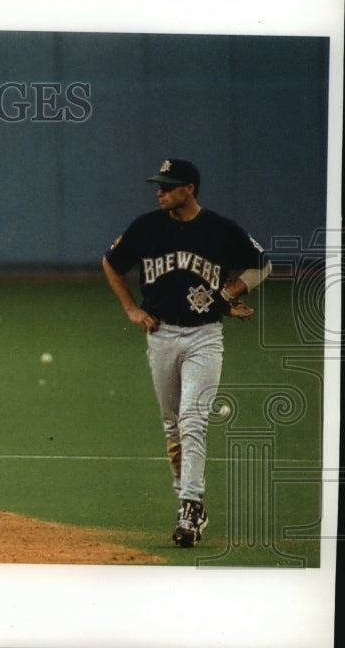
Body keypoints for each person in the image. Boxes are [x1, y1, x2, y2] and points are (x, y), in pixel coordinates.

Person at [102, 159, 270, 547]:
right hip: (160, 335)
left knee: (193, 421)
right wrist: (131, 308)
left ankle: (191, 506)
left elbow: (262, 264)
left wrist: (228, 294)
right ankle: (186, 497)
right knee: (171, 424)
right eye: (159, 185)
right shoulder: (146, 227)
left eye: (168, 185)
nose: (160, 191)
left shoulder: (219, 229)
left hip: (205, 338)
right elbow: (111, 264)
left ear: (189, 189)